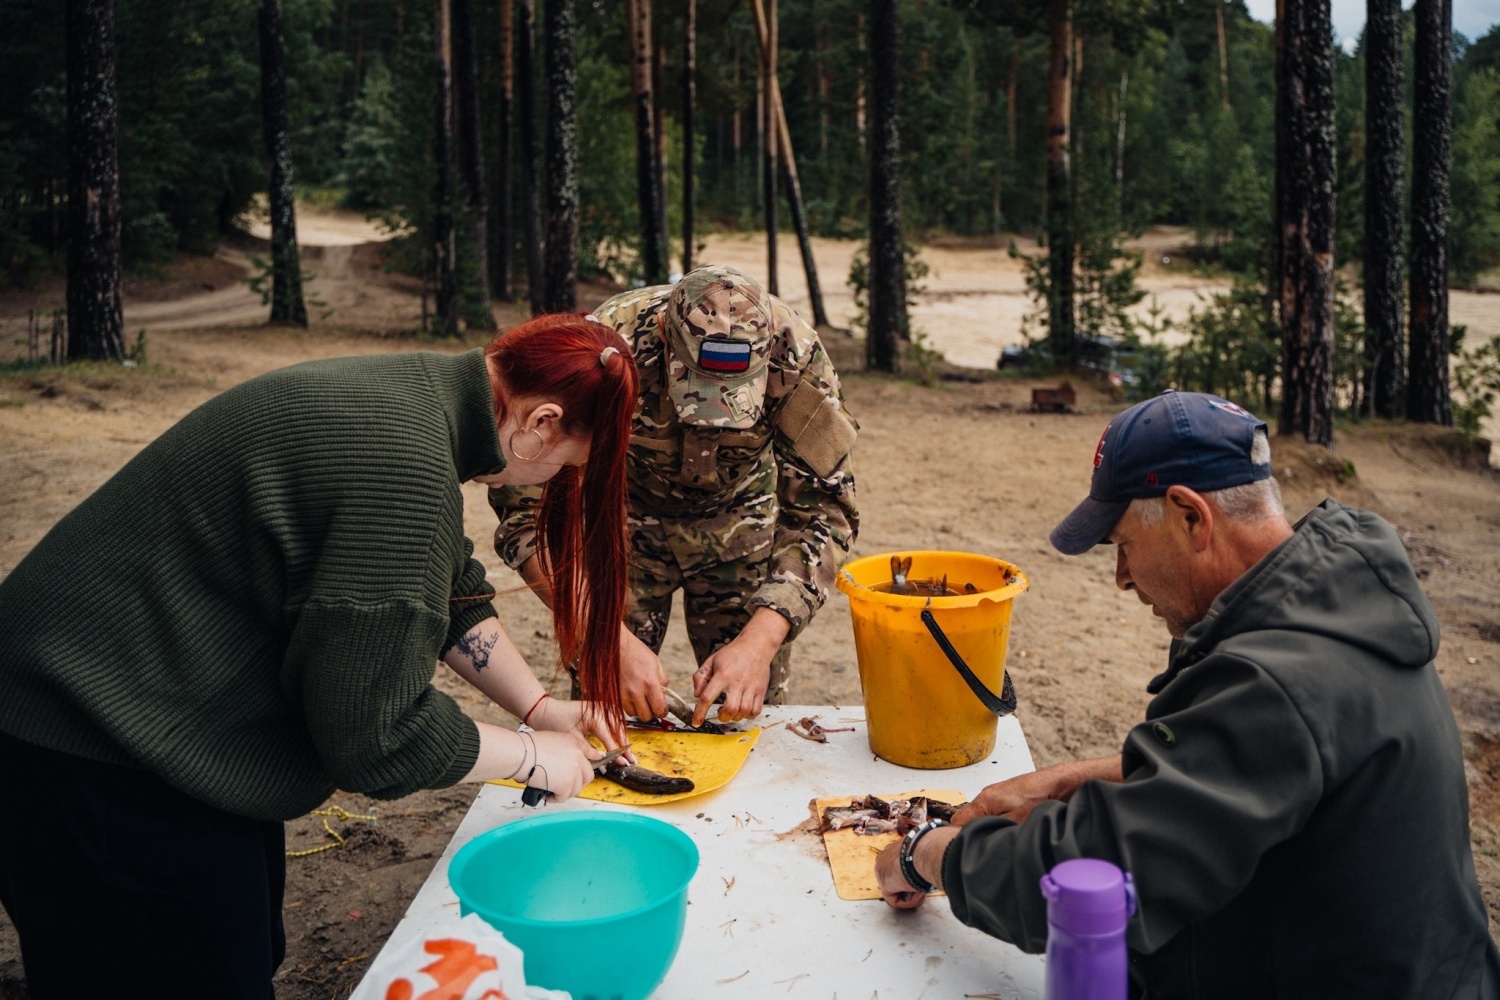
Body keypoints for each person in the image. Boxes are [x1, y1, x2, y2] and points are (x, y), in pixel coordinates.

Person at [0, 315, 639, 998]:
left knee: (240, 944)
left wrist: (541, 708)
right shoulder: (406, 469)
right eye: (566, 463)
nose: (551, 478)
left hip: (145, 705)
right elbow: (376, 736)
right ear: (541, 421)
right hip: (84, 737)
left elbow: (454, 591)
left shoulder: (416, 394)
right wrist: (532, 756)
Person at [875, 390, 1500, 998]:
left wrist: (928, 854)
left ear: (1191, 517)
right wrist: (1076, 779)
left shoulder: (1272, 682)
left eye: (1123, 546)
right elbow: (1275, 769)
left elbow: (1089, 885)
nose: (1121, 578)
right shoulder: (1334, 615)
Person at [489, 264, 858, 726]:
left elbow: (825, 508)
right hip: (620, 525)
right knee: (607, 709)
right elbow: (527, 506)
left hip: (741, 526)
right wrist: (601, 635)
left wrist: (762, 640)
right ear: (664, 331)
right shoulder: (606, 347)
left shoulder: (795, 357)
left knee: (743, 714)